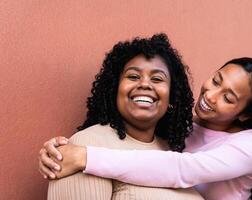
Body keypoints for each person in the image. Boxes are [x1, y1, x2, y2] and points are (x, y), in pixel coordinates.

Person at [39, 58, 252, 200]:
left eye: (228, 98)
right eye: (216, 80)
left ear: (245, 114)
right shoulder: (183, 123)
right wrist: (57, 150)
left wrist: (86, 157)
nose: (210, 95)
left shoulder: (251, 147)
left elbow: (181, 169)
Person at [40, 33, 205, 200]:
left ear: (171, 97)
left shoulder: (176, 152)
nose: (145, 84)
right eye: (133, 76)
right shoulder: (85, 147)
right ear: (115, 89)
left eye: (157, 79)